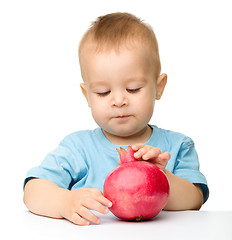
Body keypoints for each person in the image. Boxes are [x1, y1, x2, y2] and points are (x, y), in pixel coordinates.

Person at [23, 12, 209, 226]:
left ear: (159, 87)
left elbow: (195, 201)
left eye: (133, 89)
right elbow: (32, 191)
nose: (119, 100)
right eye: (103, 92)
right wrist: (63, 201)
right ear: (87, 96)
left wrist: (160, 175)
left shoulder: (177, 146)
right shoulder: (78, 148)